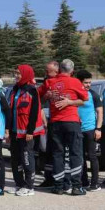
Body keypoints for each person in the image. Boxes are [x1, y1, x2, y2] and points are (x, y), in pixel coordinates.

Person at [39, 59, 88, 195]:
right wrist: (70, 101)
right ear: (72, 70)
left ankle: (58, 186)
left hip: (55, 123)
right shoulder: (75, 82)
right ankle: (76, 186)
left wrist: (47, 96)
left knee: (58, 154)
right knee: (75, 153)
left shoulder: (50, 82)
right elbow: (84, 100)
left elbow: (38, 96)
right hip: (71, 122)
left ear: (60, 69)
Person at [6, 65, 41, 197]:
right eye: (15, 73)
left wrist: (30, 131)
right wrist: (8, 130)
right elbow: (11, 111)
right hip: (15, 131)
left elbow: (34, 113)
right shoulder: (15, 89)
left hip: (26, 132)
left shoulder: (32, 90)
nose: (16, 76)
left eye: (18, 73)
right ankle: (19, 184)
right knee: (15, 160)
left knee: (27, 159)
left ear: (26, 74)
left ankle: (29, 186)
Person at [75, 70, 103, 192]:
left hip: (90, 130)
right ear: (79, 82)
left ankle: (95, 183)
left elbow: (100, 112)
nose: (88, 85)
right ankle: (84, 181)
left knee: (92, 156)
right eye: (86, 83)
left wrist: (98, 129)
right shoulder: (74, 95)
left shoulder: (93, 95)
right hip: (77, 130)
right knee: (80, 158)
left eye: (89, 82)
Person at [36, 61, 60, 189]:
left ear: (56, 71)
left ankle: (63, 180)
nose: (45, 73)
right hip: (52, 121)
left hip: (66, 121)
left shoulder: (67, 81)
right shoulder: (47, 82)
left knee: (62, 151)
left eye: (48, 70)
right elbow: (37, 97)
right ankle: (49, 178)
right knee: (48, 151)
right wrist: (46, 95)